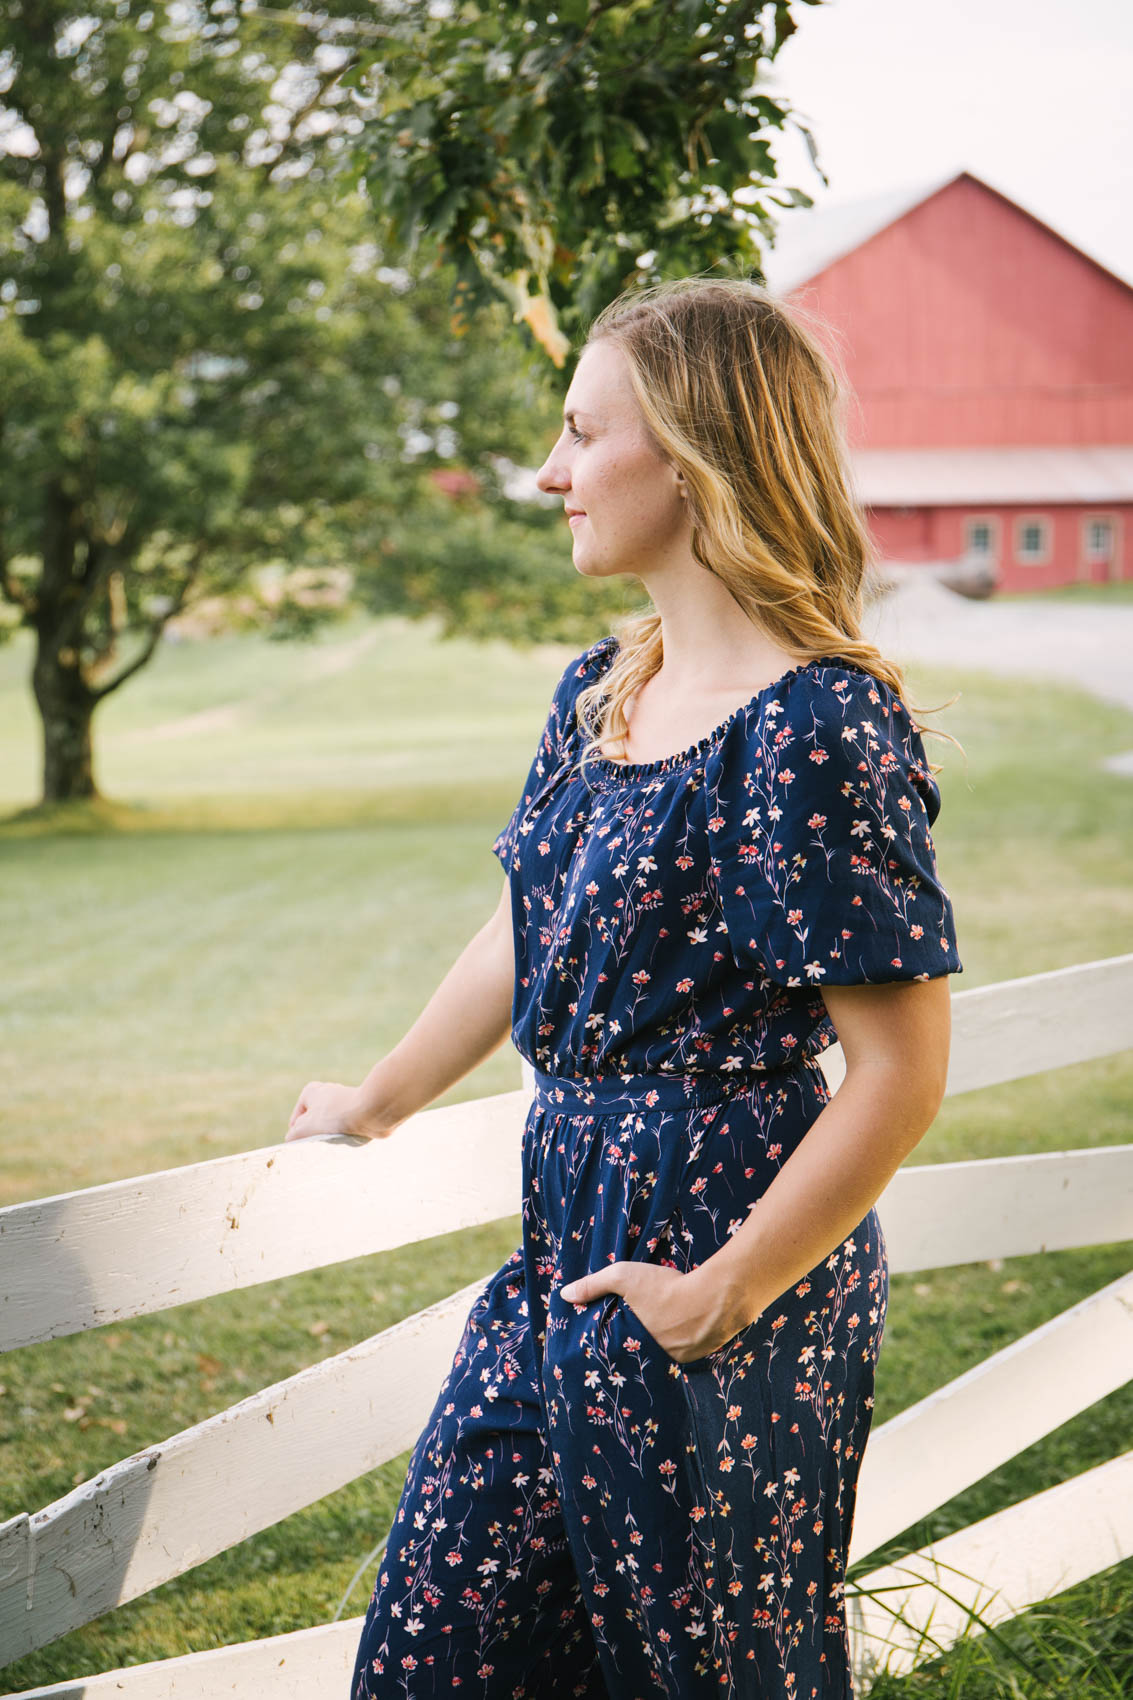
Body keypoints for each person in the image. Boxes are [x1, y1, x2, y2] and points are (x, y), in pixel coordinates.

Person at [286, 276, 961, 1699]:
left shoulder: (814, 726)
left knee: (704, 1672)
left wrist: (723, 1291)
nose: (548, 471)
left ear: (694, 453)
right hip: (558, 1256)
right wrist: (378, 1099)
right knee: (435, 1659)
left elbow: (897, 1075)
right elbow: (524, 929)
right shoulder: (597, 694)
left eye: (583, 433)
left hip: (723, 1258)